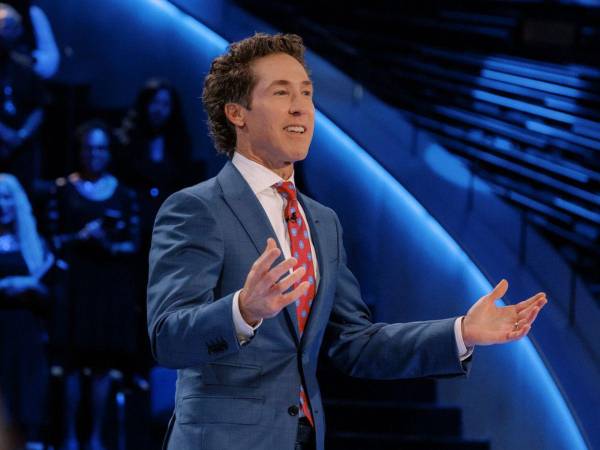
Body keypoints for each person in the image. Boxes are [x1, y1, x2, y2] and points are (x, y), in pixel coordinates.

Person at [146, 33, 547, 450]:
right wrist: (243, 310)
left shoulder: (322, 222)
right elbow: (168, 339)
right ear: (236, 113)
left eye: (306, 92)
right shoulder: (197, 208)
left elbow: (355, 344)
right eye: (281, 92)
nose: (301, 106)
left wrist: (461, 332)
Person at [46, 120, 140, 450]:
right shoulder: (62, 189)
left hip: (108, 286)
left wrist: (107, 244)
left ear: (108, 152)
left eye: (100, 148)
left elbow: (134, 244)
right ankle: (70, 437)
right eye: (89, 148)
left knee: (102, 364)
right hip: (75, 284)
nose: (94, 155)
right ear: (80, 151)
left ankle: (97, 437)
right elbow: (52, 241)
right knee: (71, 364)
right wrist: (80, 237)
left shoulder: (124, 194)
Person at [0, 173, 53, 448]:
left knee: (27, 392)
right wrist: (7, 284)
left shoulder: (34, 243)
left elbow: (50, 292)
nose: (2, 204)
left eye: (7, 197)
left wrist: (30, 286)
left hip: (26, 329)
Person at [0, 3, 45, 192]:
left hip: (21, 154)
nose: (9, 32)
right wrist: (3, 133)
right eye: (5, 26)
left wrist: (22, 135)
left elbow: (39, 106)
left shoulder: (25, 68)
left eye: (14, 27)